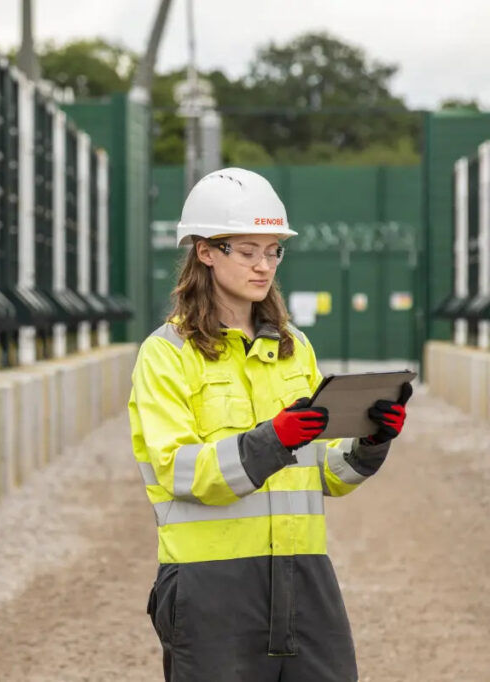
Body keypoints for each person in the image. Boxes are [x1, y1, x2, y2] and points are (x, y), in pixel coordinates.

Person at [128, 168, 411, 682]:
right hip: (210, 588)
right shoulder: (166, 355)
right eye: (248, 250)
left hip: (304, 577)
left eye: (274, 251)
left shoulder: (293, 347)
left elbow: (321, 473)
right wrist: (272, 440)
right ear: (205, 252)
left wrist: (369, 443)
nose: (264, 265)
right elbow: (179, 472)